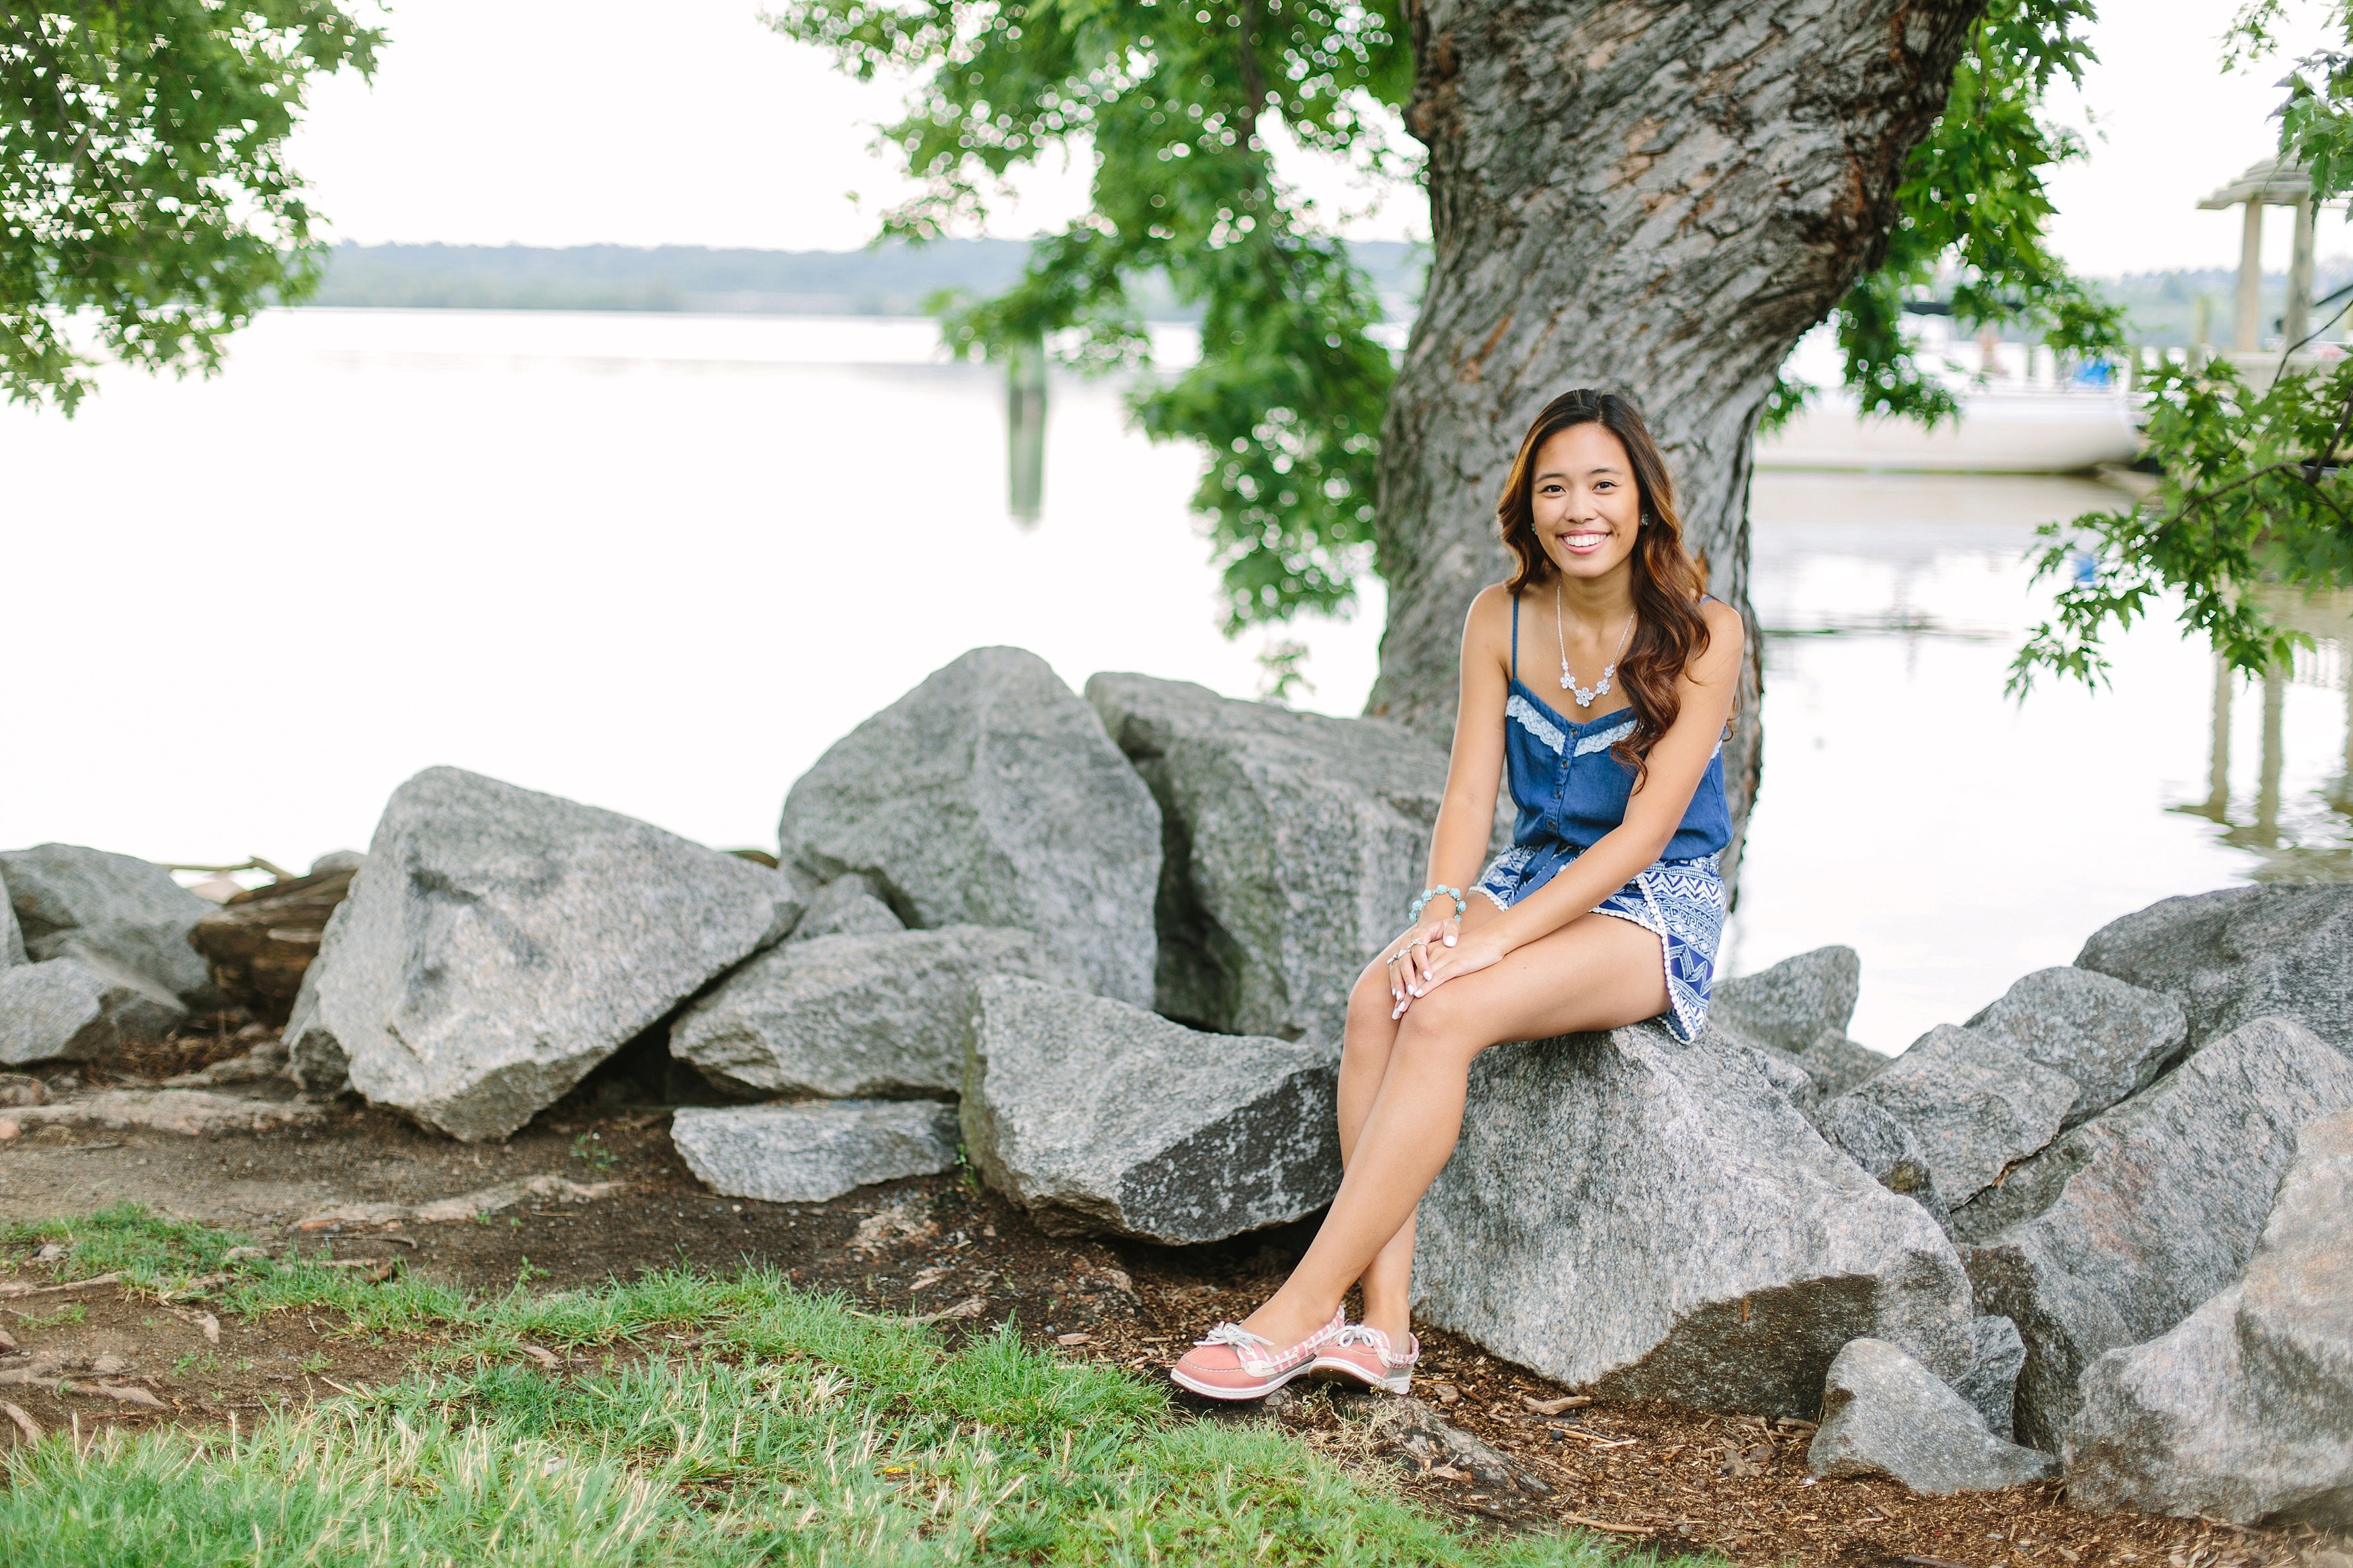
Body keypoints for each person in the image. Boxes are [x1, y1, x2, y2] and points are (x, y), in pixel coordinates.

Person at [1170, 388, 1745, 1401]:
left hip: (1654, 901)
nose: (1581, 509)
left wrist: (1494, 944)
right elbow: (1472, 789)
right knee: (1381, 995)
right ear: (1528, 506)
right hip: (1527, 873)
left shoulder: (1707, 634)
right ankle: (1385, 1327)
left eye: (1604, 485)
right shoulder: (1501, 618)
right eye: (1555, 487)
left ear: (1646, 503)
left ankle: (1301, 1308)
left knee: (1446, 1009)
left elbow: (1648, 833)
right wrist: (1444, 909)